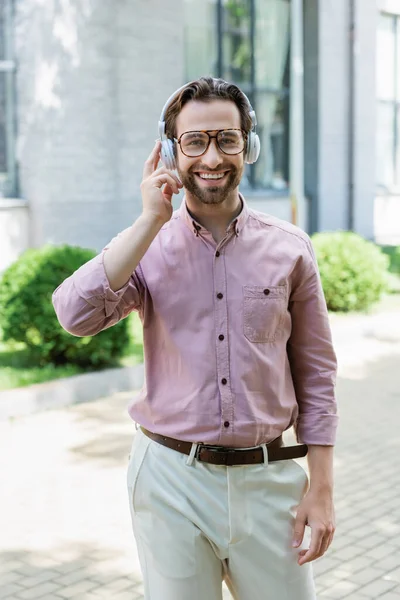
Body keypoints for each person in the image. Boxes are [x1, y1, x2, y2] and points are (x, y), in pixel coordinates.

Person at [52, 77, 338, 600]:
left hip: (270, 479)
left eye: (227, 139)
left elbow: (317, 374)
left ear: (247, 147)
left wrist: (321, 488)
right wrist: (147, 220)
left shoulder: (292, 249)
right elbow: (74, 314)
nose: (212, 156)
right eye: (194, 141)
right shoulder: (146, 246)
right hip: (169, 482)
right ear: (170, 151)